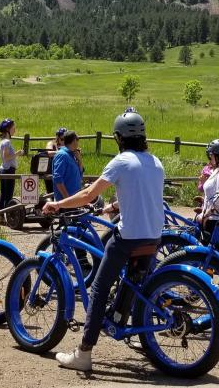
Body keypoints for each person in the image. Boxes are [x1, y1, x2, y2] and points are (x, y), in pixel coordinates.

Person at [45, 111, 164, 372]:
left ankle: (84, 352)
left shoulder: (120, 161)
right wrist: (112, 205)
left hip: (129, 237)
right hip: (154, 235)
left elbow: (88, 194)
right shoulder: (155, 162)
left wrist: (57, 204)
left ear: (118, 138)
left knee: (98, 289)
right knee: (133, 281)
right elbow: (143, 196)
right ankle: (119, 318)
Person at [0, 118, 21, 210]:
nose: (14, 130)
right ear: (8, 130)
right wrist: (17, 154)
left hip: (4, 169)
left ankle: (2, 215)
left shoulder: (2, 141)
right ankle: (7, 214)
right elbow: (5, 157)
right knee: (8, 194)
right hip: (8, 169)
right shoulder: (7, 142)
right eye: (13, 128)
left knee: (4, 193)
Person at [51, 130, 83, 201]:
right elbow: (57, 178)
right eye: (77, 140)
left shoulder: (73, 155)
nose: (78, 143)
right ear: (74, 141)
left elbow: (80, 175)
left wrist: (80, 161)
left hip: (75, 198)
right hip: (66, 201)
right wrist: (67, 199)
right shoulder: (62, 155)